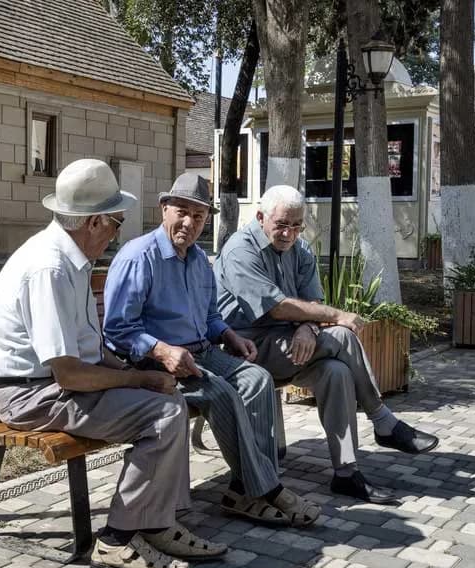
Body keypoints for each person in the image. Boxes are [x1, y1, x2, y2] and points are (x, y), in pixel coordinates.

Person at [0, 159, 226, 568]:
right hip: (31, 396)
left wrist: (138, 374)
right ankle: (116, 539)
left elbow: (91, 349)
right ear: (94, 222)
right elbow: (69, 374)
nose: (116, 233)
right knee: (162, 414)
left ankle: (156, 523)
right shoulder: (50, 269)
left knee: (167, 398)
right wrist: (138, 377)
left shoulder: (70, 259)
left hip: (54, 385)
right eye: (116, 222)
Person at [104, 173, 321, 528]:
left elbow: (209, 317)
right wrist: (162, 351)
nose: (189, 223)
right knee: (220, 394)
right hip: (154, 363)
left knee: (258, 380)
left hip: (202, 352)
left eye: (199, 215)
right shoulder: (139, 257)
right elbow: (117, 329)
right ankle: (266, 489)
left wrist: (230, 335)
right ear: (164, 208)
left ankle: (244, 489)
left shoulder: (197, 260)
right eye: (182, 212)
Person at [214, 185, 440, 505]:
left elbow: (312, 302)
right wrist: (334, 316)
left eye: (297, 225)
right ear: (261, 217)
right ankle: (382, 421)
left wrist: (308, 327)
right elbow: (276, 308)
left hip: (289, 344)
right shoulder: (241, 250)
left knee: (336, 372)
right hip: (245, 349)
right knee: (343, 335)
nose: (290, 234)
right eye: (282, 225)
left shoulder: (300, 248)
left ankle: (346, 473)